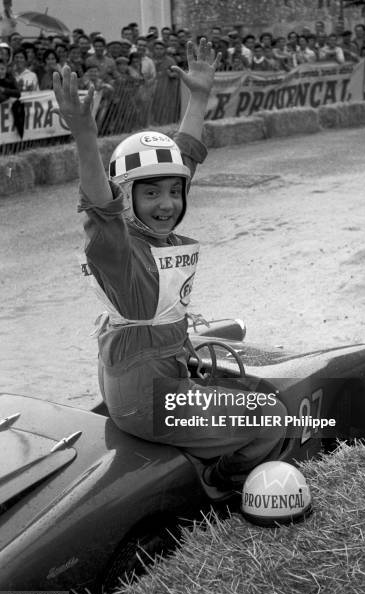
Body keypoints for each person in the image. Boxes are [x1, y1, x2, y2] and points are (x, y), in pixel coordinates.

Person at [52, 39, 287, 490]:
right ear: (127, 198)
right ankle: (218, 483)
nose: (167, 203)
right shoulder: (118, 247)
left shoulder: (151, 227)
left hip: (154, 375)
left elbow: (182, 157)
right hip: (148, 399)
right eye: (151, 193)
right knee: (269, 416)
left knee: (248, 391)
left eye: (174, 191)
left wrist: (197, 97)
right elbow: (100, 205)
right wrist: (84, 136)